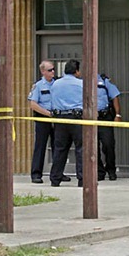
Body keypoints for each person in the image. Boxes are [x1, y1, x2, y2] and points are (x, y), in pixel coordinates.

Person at [27, 60, 71, 184]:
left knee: (59, 147)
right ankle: (36, 174)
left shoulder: (57, 84)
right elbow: (33, 105)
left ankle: (58, 173)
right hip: (43, 119)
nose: (53, 72)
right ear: (43, 71)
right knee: (40, 146)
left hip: (57, 118)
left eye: (53, 69)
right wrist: (48, 114)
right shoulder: (38, 86)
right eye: (50, 70)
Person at [49, 59, 84, 187]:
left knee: (60, 149)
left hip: (60, 120)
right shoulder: (81, 84)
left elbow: (52, 102)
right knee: (81, 149)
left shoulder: (55, 84)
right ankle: (82, 179)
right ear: (76, 71)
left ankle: (55, 178)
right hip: (76, 119)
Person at [96, 74, 122, 181]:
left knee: (108, 145)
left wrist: (117, 114)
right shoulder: (81, 82)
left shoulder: (103, 81)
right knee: (93, 148)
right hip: (90, 118)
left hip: (104, 117)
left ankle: (111, 170)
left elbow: (114, 97)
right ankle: (99, 172)